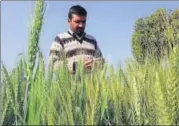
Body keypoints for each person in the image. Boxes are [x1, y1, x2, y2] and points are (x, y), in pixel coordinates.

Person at [49, 5, 104, 74]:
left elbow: (102, 62)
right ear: (69, 21)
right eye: (77, 22)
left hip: (90, 84)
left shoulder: (92, 40)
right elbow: (52, 65)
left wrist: (96, 64)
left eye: (83, 22)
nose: (81, 25)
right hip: (68, 85)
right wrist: (76, 66)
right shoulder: (60, 39)